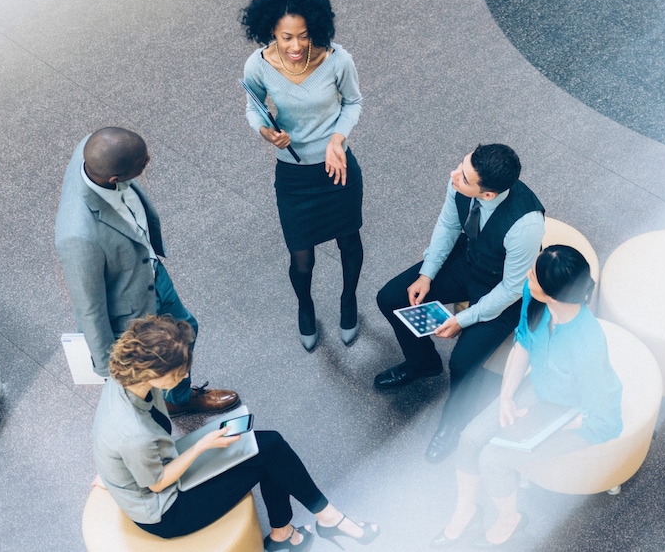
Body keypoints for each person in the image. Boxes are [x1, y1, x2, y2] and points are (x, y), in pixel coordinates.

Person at [92, 315, 380, 550]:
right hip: (167, 510)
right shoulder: (134, 434)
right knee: (267, 460)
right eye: (178, 373)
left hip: (161, 465)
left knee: (270, 445)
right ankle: (316, 524)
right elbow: (156, 484)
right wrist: (202, 445)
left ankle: (298, 528)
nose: (183, 378)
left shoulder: (126, 379)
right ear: (153, 372)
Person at [432, 245, 623, 548]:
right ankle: (466, 511)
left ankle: (511, 519)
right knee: (470, 438)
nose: (526, 276)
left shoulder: (586, 344)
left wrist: (536, 425)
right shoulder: (536, 301)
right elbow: (523, 343)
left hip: (577, 416)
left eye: (533, 275)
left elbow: (595, 414)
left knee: (494, 459)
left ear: (553, 293)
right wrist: (507, 397)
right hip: (542, 389)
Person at [375, 144, 545, 463]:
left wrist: (462, 321)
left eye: (464, 177)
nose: (454, 175)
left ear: (488, 195)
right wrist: (427, 274)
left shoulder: (526, 224)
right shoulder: (459, 181)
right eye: (460, 166)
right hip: (467, 261)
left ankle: (454, 425)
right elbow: (448, 227)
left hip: (500, 287)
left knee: (463, 362)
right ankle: (422, 362)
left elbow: (511, 288)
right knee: (390, 297)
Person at [55, 127, 238, 416]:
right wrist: (109, 368)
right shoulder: (78, 237)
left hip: (151, 272)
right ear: (114, 178)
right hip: (132, 309)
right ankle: (171, 404)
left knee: (187, 330)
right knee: (161, 359)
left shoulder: (94, 150)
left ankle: (176, 397)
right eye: (143, 163)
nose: (149, 160)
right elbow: (89, 307)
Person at [241, 0, 364, 352]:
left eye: (304, 35)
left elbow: (353, 103)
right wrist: (267, 133)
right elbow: (253, 109)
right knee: (301, 257)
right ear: (270, 33)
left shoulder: (338, 60)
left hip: (337, 166)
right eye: (286, 37)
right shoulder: (258, 66)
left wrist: (337, 140)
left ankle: (348, 301)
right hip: (293, 175)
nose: (296, 46)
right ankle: (305, 305)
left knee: (349, 241)